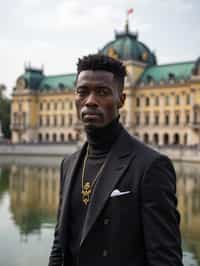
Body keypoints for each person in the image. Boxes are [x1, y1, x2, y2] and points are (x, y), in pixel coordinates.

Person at [48, 54, 183, 266]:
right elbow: (60, 244)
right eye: (83, 92)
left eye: (102, 92)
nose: (90, 101)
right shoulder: (69, 163)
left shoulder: (150, 166)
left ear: (121, 100)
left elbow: (165, 260)